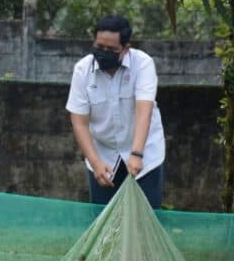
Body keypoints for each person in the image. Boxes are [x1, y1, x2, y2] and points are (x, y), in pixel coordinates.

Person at [65, 15, 165, 208]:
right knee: (104, 222)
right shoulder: (82, 71)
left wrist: (137, 154)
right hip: (102, 155)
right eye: (99, 47)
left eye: (111, 50)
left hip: (145, 154)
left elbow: (144, 111)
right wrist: (95, 162)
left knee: (146, 219)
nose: (104, 53)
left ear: (125, 49)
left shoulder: (143, 64)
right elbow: (80, 123)